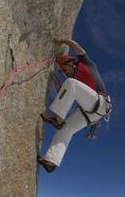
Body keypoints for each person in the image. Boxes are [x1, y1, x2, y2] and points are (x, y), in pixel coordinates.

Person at [37, 39, 111, 173]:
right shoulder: (76, 81)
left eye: (65, 69)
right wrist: (53, 76)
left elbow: (79, 49)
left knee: (71, 84)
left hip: (100, 102)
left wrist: (62, 41)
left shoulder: (87, 64)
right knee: (65, 129)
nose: (65, 73)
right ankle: (51, 161)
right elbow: (63, 94)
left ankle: (58, 119)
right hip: (91, 114)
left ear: (70, 63)